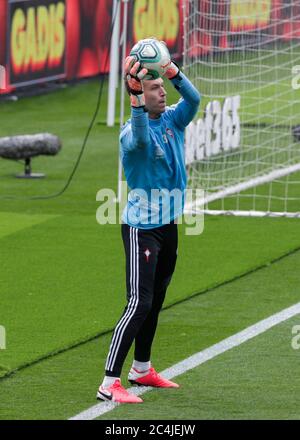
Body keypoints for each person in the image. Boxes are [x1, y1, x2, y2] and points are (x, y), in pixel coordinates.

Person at [97, 40, 201, 404]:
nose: (162, 93)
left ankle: (141, 368)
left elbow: (194, 101)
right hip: (141, 228)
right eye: (154, 87)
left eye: (162, 87)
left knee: (155, 300)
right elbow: (140, 137)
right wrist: (136, 98)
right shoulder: (131, 133)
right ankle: (109, 382)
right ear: (141, 92)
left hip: (168, 225)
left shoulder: (173, 119)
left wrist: (172, 71)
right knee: (138, 303)